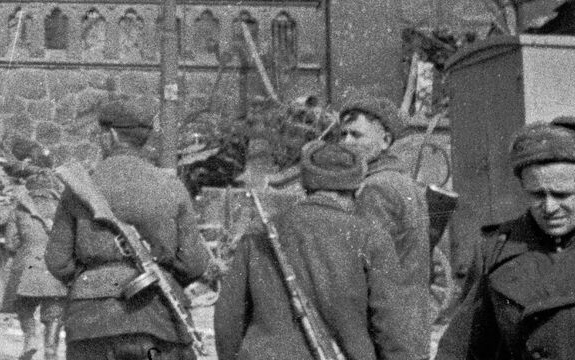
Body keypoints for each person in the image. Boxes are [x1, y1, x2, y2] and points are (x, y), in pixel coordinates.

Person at [215, 141, 428, 360]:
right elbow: (393, 329)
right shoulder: (371, 238)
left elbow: (228, 320)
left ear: (304, 185)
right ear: (357, 188)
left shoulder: (259, 233)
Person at [46, 97, 212, 360]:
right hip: (159, 320)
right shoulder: (172, 187)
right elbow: (193, 264)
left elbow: (58, 262)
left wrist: (96, 277)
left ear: (109, 136)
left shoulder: (80, 187)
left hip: (90, 326)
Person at [438, 117, 575, 358]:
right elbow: (463, 346)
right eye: (537, 195)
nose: (550, 207)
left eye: (562, 194)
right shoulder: (497, 250)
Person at [335, 97, 432, 323]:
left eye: (356, 135)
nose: (346, 142)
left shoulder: (375, 188)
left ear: (385, 140)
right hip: (407, 313)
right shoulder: (401, 180)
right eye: (343, 134)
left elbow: (367, 267)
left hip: (385, 319)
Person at [6, 137, 68, 360]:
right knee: (54, 312)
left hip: (27, 272)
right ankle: (51, 350)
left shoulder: (20, 210)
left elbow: (10, 243)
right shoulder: (64, 211)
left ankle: (30, 338)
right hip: (56, 269)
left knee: (23, 305)